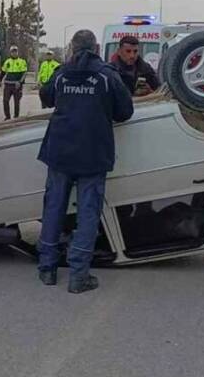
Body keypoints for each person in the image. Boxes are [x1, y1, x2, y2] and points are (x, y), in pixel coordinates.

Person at [37, 29, 133, 293]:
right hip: (93, 151)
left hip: (59, 151)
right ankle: (79, 275)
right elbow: (125, 112)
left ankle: (47, 269)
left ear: (72, 48)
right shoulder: (107, 75)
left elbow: (47, 98)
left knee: (53, 208)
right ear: (96, 47)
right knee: (88, 212)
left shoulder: (62, 73)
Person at [0, 45, 28, 120]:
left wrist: (20, 82)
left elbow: (24, 73)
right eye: (12, 51)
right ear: (10, 52)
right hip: (8, 84)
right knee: (5, 100)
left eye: (15, 51)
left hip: (16, 85)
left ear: (17, 52)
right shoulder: (7, 61)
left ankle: (16, 116)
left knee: (16, 102)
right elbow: (3, 72)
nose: (14, 53)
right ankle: (7, 116)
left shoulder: (21, 61)